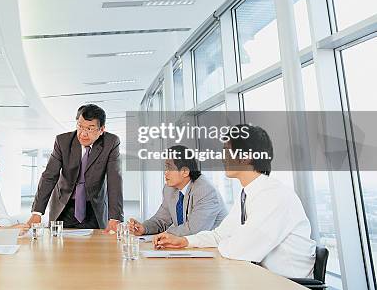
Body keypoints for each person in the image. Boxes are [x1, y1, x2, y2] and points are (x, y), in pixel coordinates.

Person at [153, 125, 316, 278]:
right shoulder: (248, 193)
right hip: (260, 280)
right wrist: (185, 241)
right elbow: (220, 235)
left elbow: (242, 248)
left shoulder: (273, 196)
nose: (223, 158)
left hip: (289, 289)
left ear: (246, 157)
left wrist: (223, 242)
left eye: (227, 152)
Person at [26, 104, 123, 231]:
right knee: (58, 247)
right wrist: (37, 213)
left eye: (90, 128)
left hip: (93, 207)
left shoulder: (111, 143)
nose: (83, 133)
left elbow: (114, 180)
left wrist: (115, 218)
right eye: (80, 126)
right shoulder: (63, 141)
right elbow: (50, 175)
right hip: (63, 206)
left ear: (101, 130)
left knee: (94, 248)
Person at [128, 145, 227, 236]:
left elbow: (194, 230)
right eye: (165, 167)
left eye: (169, 168)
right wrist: (144, 228)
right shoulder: (169, 189)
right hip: (188, 247)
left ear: (185, 171)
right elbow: (161, 220)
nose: (165, 173)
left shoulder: (205, 190)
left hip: (213, 249)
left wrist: (165, 234)